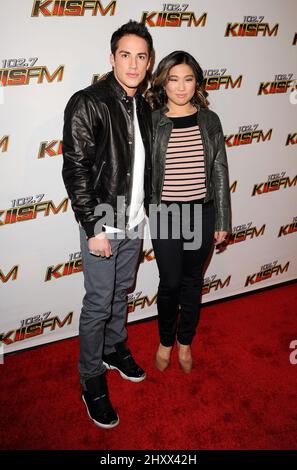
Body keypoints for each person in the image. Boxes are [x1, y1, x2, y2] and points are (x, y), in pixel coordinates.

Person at [62, 21, 153, 428]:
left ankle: (114, 348)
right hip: (102, 222)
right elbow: (76, 170)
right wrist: (94, 227)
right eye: (125, 54)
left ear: (149, 62)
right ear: (112, 57)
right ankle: (90, 379)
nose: (133, 64)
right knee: (98, 303)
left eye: (141, 56)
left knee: (121, 291)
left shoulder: (145, 105)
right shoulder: (88, 101)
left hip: (133, 220)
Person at [146, 51, 231, 374]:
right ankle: (165, 340)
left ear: (197, 83)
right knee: (169, 282)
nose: (181, 87)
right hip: (165, 214)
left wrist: (222, 218)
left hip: (202, 213)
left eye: (188, 79)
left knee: (192, 281)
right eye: (173, 79)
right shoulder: (152, 120)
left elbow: (220, 170)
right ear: (163, 82)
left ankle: (184, 341)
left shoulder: (210, 120)